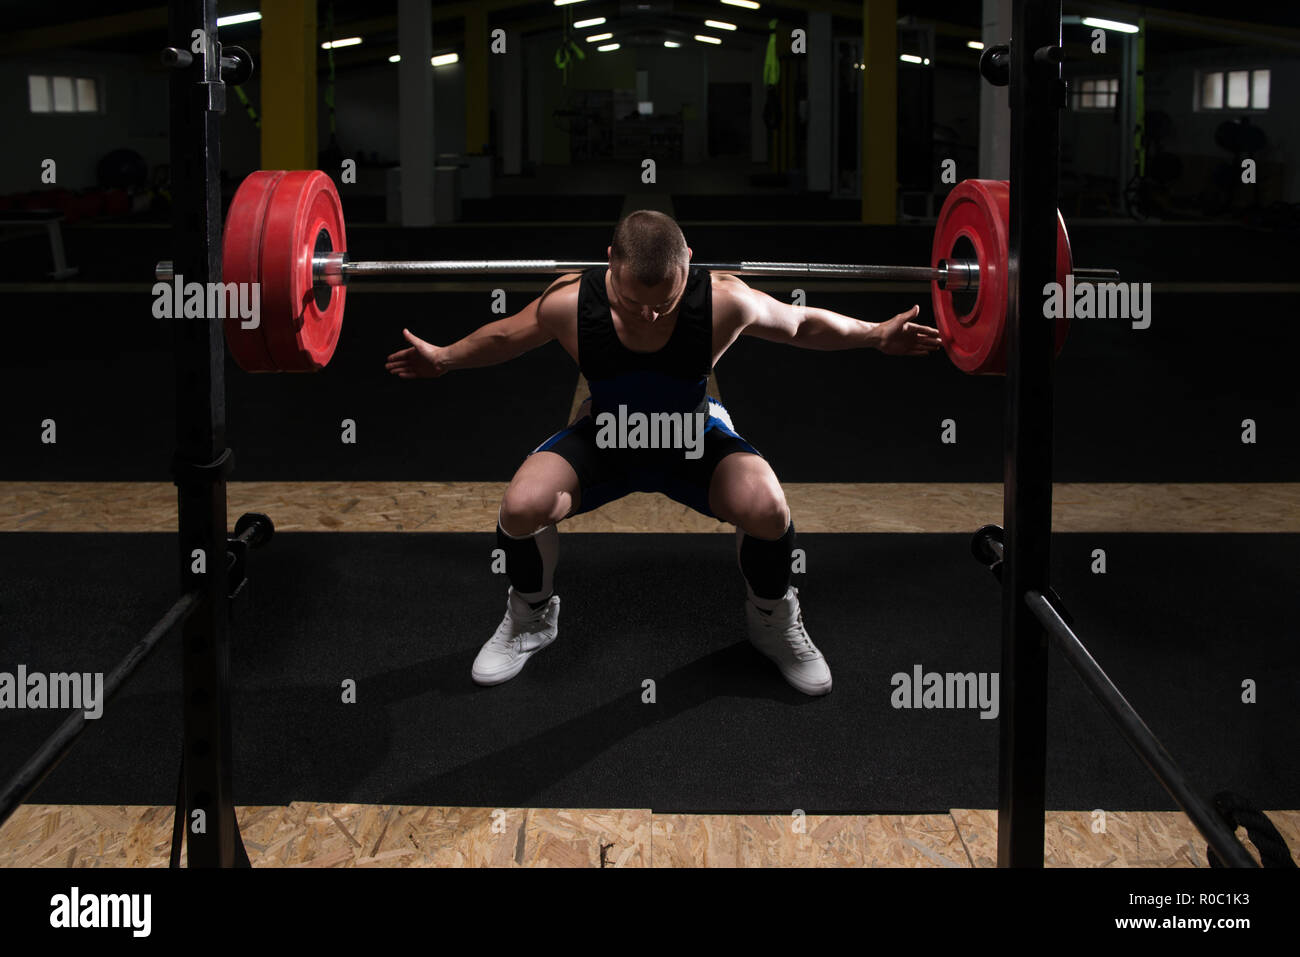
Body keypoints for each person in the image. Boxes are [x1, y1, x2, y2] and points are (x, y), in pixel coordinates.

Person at [386, 211, 941, 695]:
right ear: (609, 264)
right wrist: (445, 358)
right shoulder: (570, 302)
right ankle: (531, 616)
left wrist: (874, 334)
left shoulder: (725, 299)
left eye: (666, 301)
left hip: (689, 440)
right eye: (634, 301)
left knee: (767, 507)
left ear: (689, 263)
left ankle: (772, 619)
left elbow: (800, 323)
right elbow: (505, 337)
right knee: (521, 506)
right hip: (608, 437)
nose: (650, 315)